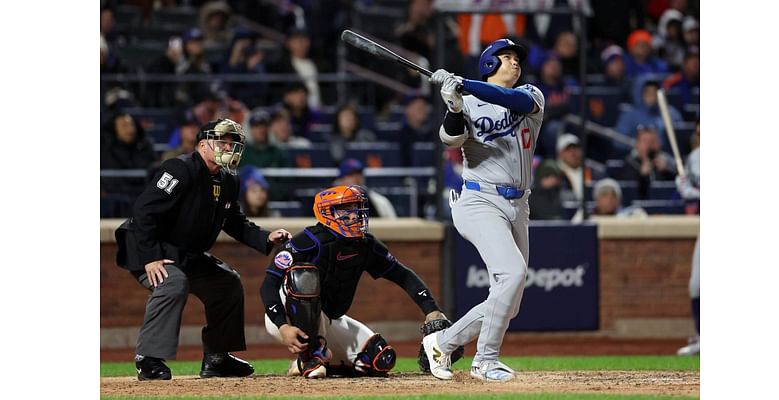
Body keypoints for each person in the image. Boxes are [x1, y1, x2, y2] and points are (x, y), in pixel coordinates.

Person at [113, 118, 292, 381]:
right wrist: (150, 258)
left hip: (185, 252)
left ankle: (217, 358)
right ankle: (148, 358)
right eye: (222, 142)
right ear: (202, 145)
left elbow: (234, 221)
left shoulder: (229, 179)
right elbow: (144, 213)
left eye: (232, 144)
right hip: (148, 246)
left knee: (226, 282)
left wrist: (266, 238)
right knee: (172, 282)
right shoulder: (179, 169)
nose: (229, 148)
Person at [423, 38, 545, 381]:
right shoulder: (468, 101)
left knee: (510, 301)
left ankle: (442, 344)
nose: (514, 62)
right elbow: (451, 138)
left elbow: (509, 98)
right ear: (489, 64)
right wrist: (454, 106)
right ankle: (485, 361)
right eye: (505, 58)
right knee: (512, 275)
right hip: (479, 200)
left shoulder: (532, 95)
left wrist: (464, 84)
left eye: (517, 58)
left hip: (519, 203)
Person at [260, 185, 447, 378]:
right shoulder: (306, 242)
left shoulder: (366, 245)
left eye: (356, 208)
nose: (355, 216)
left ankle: (307, 362)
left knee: (380, 359)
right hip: (287, 317)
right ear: (328, 214)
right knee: (303, 276)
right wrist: (283, 326)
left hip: (328, 319)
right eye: (346, 209)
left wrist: (431, 309)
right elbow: (268, 284)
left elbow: (403, 275)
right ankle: (311, 356)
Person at [675, 121, 700, 356]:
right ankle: (702, 338)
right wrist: (685, 187)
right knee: (697, 284)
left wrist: (691, 190)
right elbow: (694, 191)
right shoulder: (696, 156)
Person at [613, 125, 677, 200]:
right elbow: (627, 191)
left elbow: (679, 187)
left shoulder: (669, 162)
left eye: (653, 141)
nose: (649, 145)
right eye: (645, 141)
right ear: (637, 145)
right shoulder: (630, 163)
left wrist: (667, 172)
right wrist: (642, 176)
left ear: (659, 144)